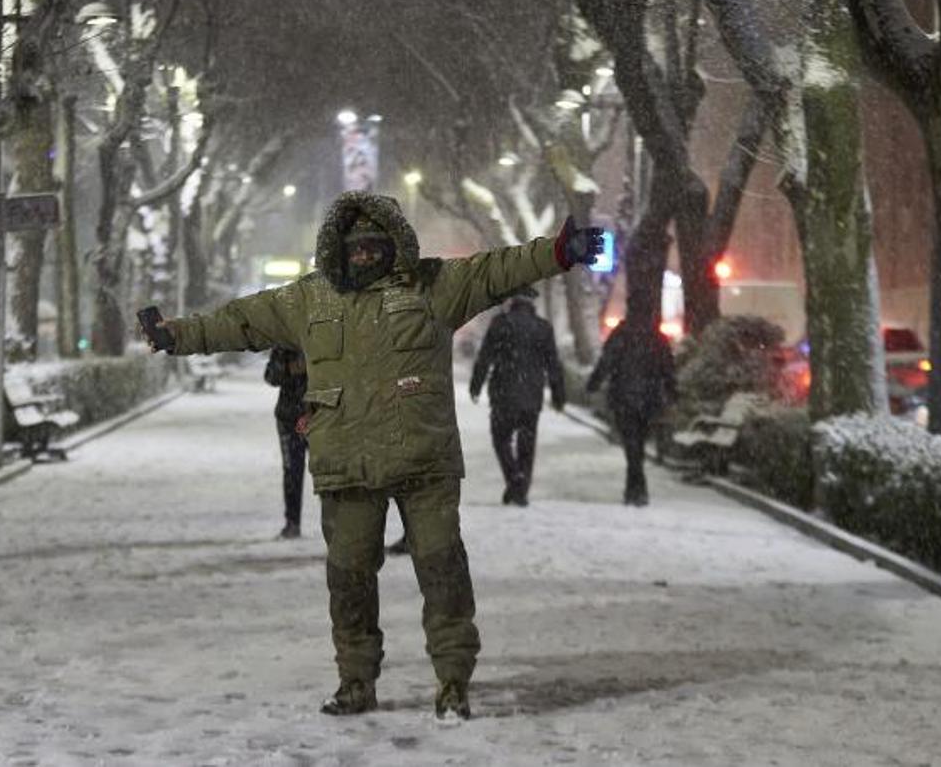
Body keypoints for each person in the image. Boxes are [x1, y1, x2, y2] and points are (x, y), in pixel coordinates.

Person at [141, 190, 606, 720]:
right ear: (338, 248)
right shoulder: (307, 300)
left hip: (423, 461)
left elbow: (494, 270)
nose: (364, 254)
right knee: (349, 582)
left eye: (374, 245)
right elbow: (240, 321)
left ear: (394, 246)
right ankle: (355, 682)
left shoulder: (434, 287)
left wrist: (559, 252)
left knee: (444, 575)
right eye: (355, 246)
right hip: (347, 465)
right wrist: (174, 335)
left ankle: (453, 682)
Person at [469, 287, 565, 506]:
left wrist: (476, 385)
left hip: (503, 393)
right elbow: (553, 365)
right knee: (527, 442)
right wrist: (559, 394)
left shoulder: (500, 323)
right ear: (533, 303)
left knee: (500, 439)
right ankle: (521, 487)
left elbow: (485, 357)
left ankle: (514, 478)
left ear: (512, 300)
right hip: (532, 394)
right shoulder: (543, 328)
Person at [585, 319, 677, 506]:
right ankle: (636, 488)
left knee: (631, 443)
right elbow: (667, 366)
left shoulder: (621, 333)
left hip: (623, 397)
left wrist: (593, 383)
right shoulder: (656, 336)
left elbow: (606, 360)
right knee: (639, 443)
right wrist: (672, 390)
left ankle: (635, 487)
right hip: (648, 398)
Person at [264, 347, 309, 538]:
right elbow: (270, 376)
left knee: (329, 472)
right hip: (289, 417)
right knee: (292, 472)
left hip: (321, 415)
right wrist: (288, 368)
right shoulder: (284, 344)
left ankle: (336, 526)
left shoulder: (323, 335)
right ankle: (292, 523)